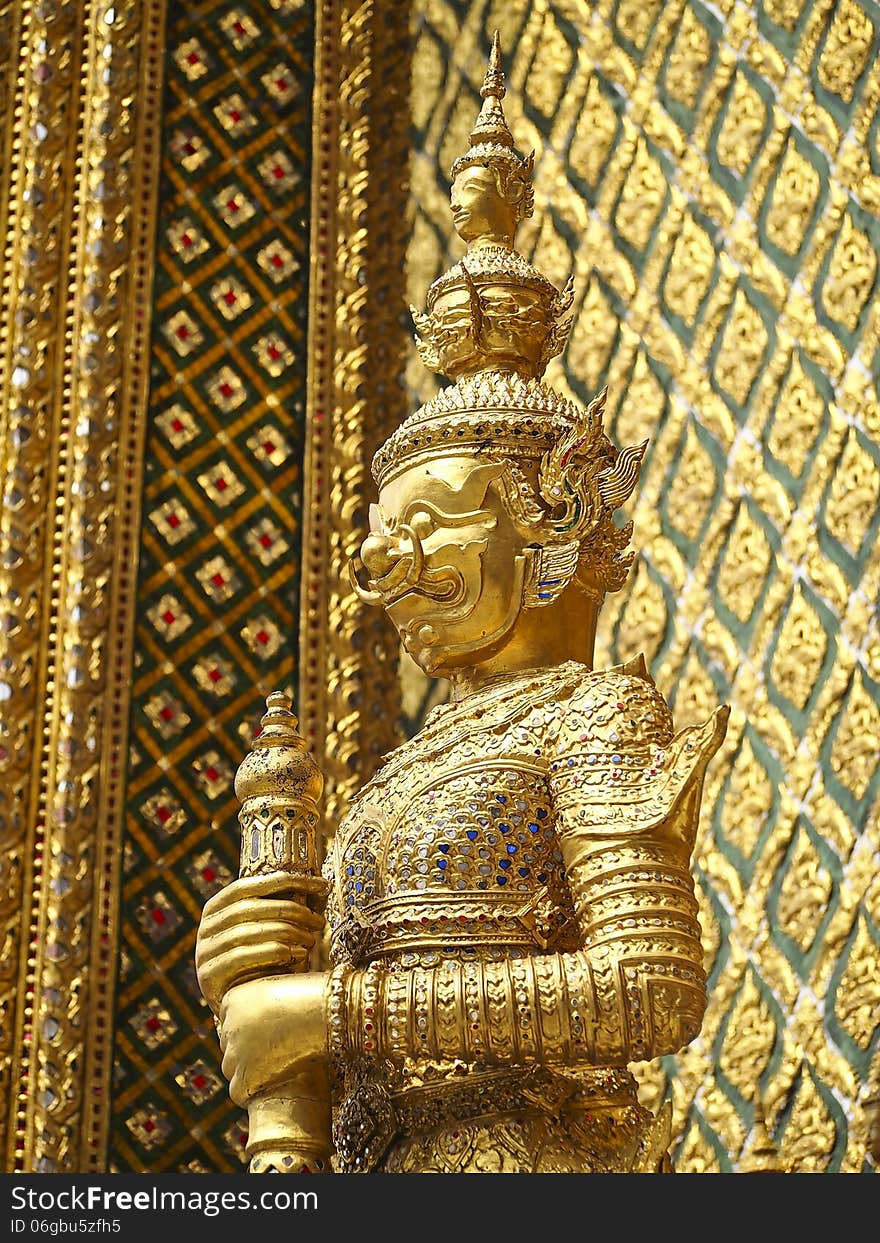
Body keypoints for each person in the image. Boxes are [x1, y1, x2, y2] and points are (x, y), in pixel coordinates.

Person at [195, 33, 728, 1174]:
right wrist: (261, 981)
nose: (388, 567)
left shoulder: (590, 719)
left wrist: (329, 1013)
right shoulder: (392, 775)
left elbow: (649, 986)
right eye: (383, 538)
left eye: (430, 527)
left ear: (550, 518)